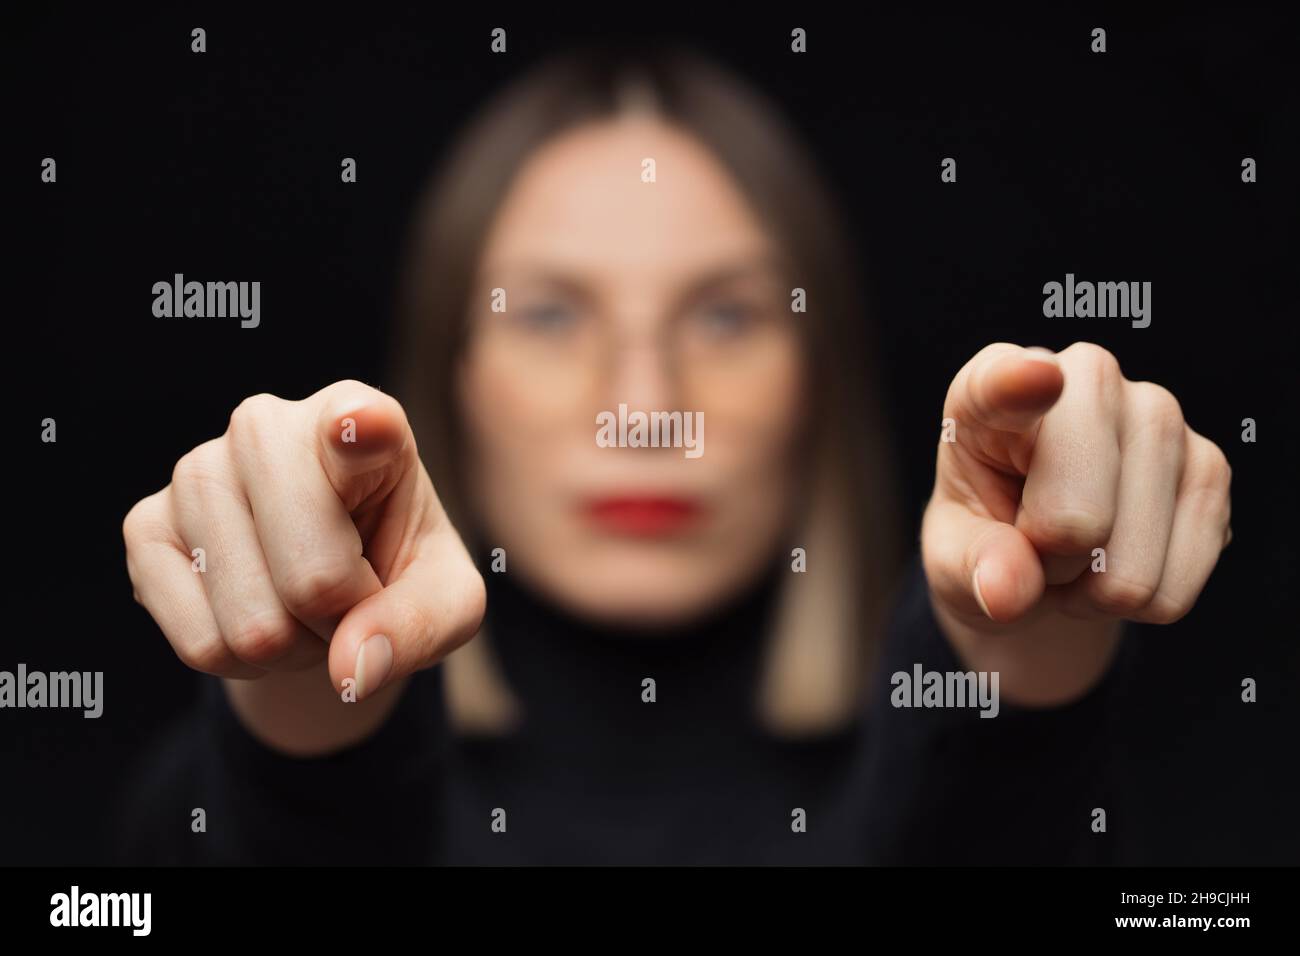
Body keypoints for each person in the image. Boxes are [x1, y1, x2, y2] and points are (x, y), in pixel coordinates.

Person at [116, 46, 1232, 865]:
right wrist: (307, 698)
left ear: (817, 377)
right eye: (550, 316)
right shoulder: (202, 810)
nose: (644, 406)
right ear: (449, 375)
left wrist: (1023, 645)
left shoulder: (1064, 810)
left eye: (726, 317)